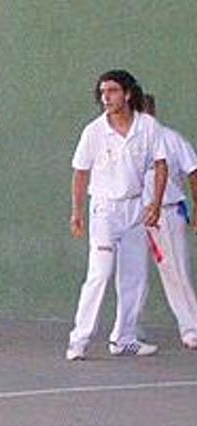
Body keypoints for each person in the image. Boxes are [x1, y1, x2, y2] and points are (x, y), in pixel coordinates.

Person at [67, 70, 168, 361]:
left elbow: (161, 165)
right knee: (99, 273)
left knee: (135, 276)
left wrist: (156, 204)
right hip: (104, 211)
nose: (105, 97)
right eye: (102, 93)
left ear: (126, 93)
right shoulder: (94, 131)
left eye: (111, 91)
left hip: (135, 209)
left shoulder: (148, 127)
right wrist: (77, 212)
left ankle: (124, 338)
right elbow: (80, 172)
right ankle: (79, 340)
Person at [141, 94, 197, 350]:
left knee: (176, 272)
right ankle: (127, 332)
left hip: (167, 214)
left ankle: (191, 328)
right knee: (129, 274)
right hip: (130, 215)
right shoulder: (123, 142)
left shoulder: (170, 139)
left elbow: (193, 171)